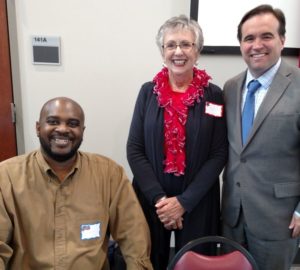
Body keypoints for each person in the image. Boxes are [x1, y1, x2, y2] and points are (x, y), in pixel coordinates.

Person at [0, 97, 153, 270]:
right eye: (53, 121)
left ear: (82, 130)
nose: (63, 129)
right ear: (38, 128)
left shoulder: (109, 174)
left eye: (73, 124)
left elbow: (134, 236)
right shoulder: (6, 176)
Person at [127, 15, 228, 269]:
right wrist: (161, 201)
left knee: (197, 264)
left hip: (198, 202)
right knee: (147, 262)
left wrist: (183, 203)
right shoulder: (147, 93)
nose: (178, 51)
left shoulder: (213, 96)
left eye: (186, 44)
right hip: (152, 202)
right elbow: (134, 148)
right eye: (171, 45)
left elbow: (218, 154)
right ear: (162, 52)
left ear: (198, 50)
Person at [222, 4, 300, 270]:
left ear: (282, 40)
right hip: (233, 216)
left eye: (266, 36)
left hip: (278, 219)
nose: (257, 45)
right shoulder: (231, 88)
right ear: (241, 45)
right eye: (249, 38)